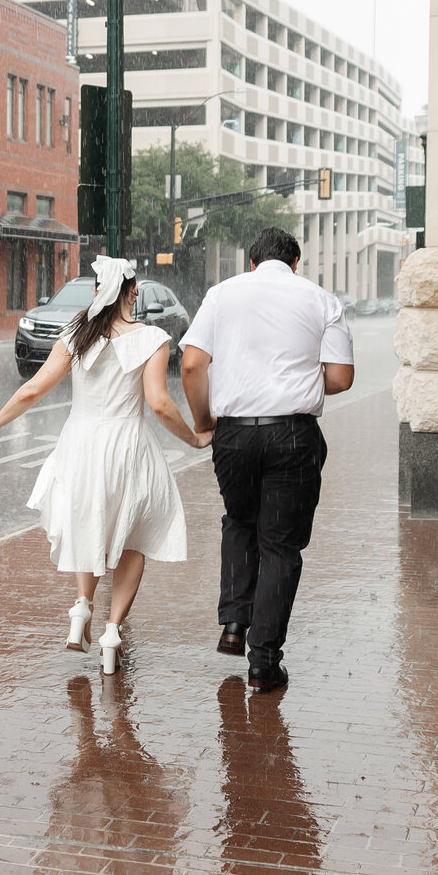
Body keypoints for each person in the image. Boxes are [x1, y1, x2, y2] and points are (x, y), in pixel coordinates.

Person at [0, 255, 211, 673]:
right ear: (133, 292)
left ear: (95, 291)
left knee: (89, 525)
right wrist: (194, 438)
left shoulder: (76, 334)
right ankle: (112, 631)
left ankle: (82, 606)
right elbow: (159, 404)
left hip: (80, 446)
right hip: (127, 446)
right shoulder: (152, 338)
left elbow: (33, 389)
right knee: (134, 539)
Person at [180, 226, 354, 695]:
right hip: (292, 434)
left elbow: (192, 365)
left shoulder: (221, 294)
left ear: (251, 262)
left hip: (234, 434)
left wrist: (204, 422)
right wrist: (299, 380)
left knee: (239, 520)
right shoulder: (321, 300)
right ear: (295, 264)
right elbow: (341, 377)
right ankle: (263, 663)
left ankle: (234, 623)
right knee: (279, 546)